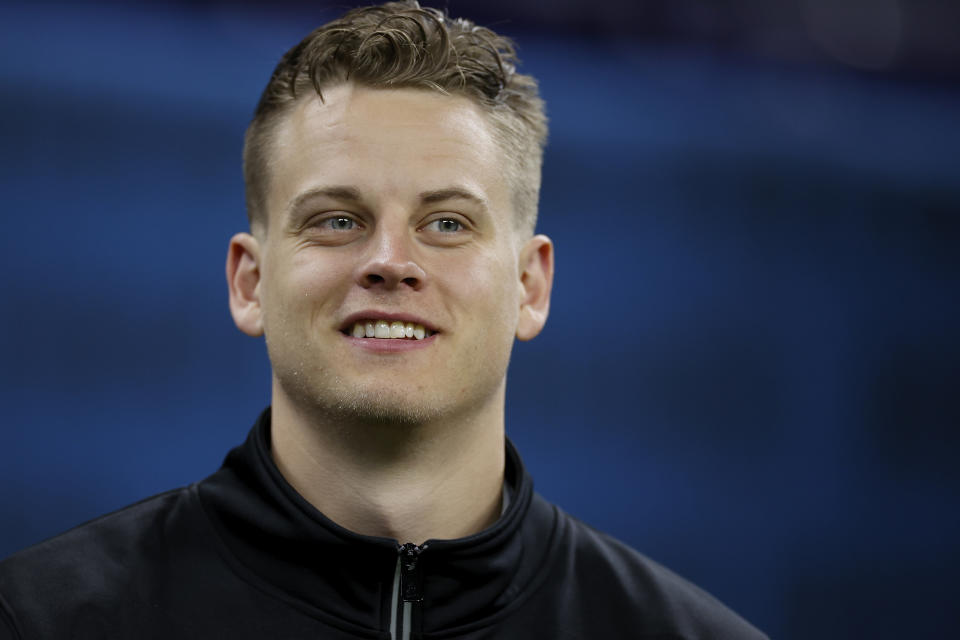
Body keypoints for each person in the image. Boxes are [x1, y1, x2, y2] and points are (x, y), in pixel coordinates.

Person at [0, 2, 767, 638]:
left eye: (448, 224)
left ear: (530, 286)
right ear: (250, 282)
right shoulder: (42, 619)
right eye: (337, 220)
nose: (390, 260)